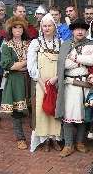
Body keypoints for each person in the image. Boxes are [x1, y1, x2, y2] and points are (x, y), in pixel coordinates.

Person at [55, 18, 93, 157]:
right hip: (70, 85)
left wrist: (75, 58)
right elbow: (64, 64)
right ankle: (68, 145)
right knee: (68, 115)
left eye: (83, 29)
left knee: (83, 115)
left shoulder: (91, 44)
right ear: (72, 30)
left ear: (86, 31)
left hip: (85, 84)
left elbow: (92, 61)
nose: (80, 31)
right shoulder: (66, 45)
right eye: (77, 29)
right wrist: (81, 60)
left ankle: (80, 142)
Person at [27, 13, 62, 152]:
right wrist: (41, 82)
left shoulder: (60, 43)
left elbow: (63, 63)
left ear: (54, 27)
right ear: (41, 27)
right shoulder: (36, 43)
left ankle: (55, 138)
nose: (47, 28)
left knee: (55, 109)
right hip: (40, 83)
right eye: (44, 26)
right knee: (42, 110)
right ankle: (45, 139)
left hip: (56, 82)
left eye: (49, 25)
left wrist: (57, 78)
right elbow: (31, 64)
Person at [0, 16, 30, 150]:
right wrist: (26, 62)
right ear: (10, 29)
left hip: (29, 79)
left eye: (20, 27)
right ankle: (20, 138)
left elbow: (34, 63)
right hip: (15, 80)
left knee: (33, 108)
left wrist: (20, 65)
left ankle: (40, 137)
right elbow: (8, 65)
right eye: (15, 27)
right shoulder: (6, 45)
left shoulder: (29, 43)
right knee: (17, 111)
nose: (18, 30)